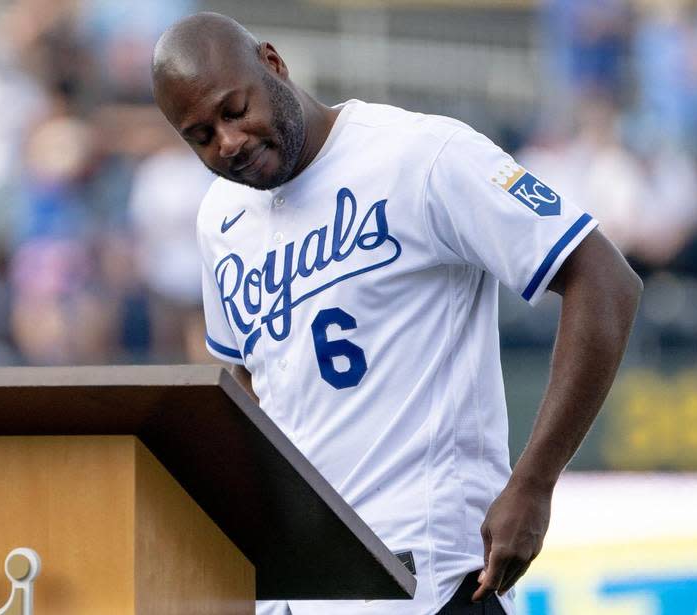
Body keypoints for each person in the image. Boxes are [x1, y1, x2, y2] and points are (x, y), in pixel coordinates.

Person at [151, 13, 642, 615]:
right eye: (200, 136)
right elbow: (247, 380)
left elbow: (605, 279)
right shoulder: (218, 218)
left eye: (234, 110)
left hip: (434, 577)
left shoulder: (420, 153)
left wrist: (535, 482)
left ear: (273, 64)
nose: (226, 142)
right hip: (304, 591)